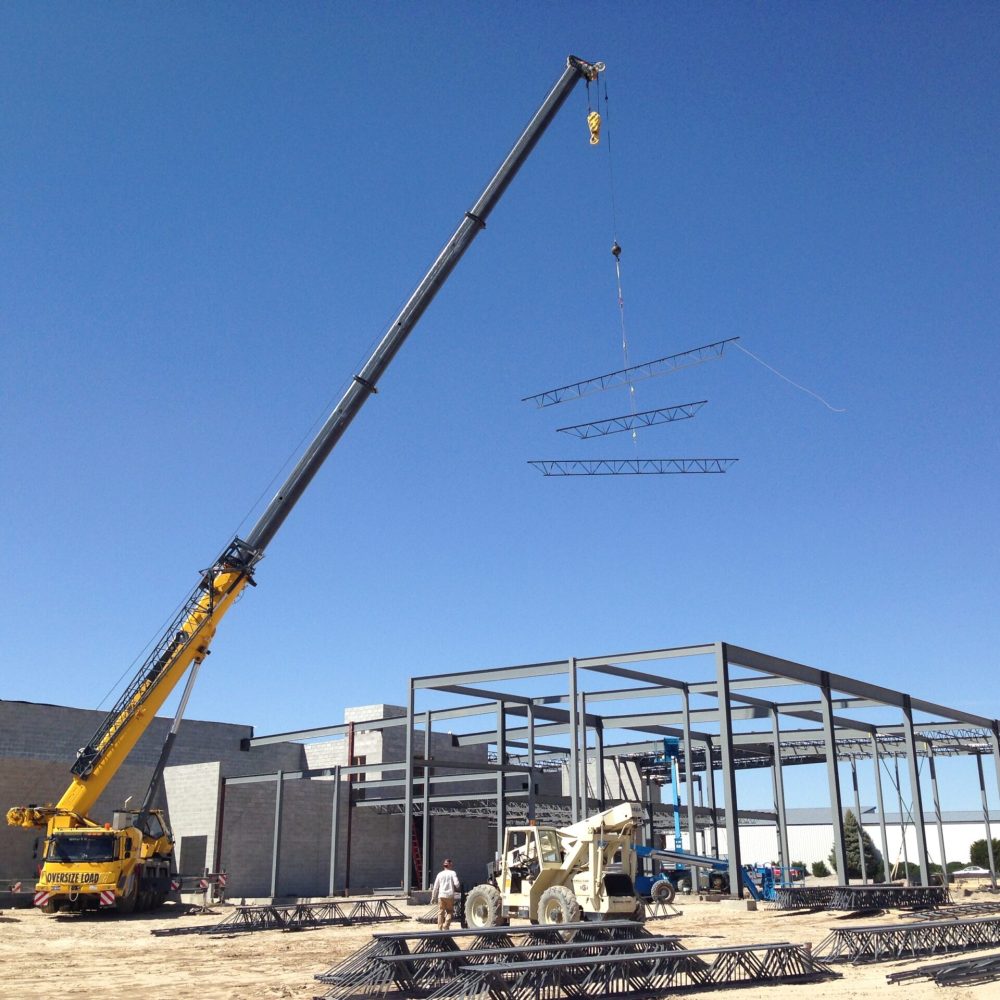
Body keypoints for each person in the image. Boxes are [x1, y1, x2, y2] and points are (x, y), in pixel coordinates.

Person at [429, 857, 461, 930]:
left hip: (441, 896)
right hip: (450, 895)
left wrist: (433, 897)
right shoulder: (452, 873)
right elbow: (457, 884)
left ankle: (439, 929)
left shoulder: (439, 874)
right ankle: (446, 925)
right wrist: (457, 888)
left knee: (440, 912)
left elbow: (435, 887)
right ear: (450, 865)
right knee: (450, 911)